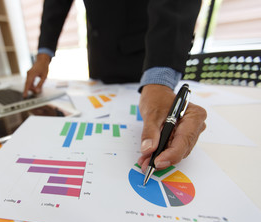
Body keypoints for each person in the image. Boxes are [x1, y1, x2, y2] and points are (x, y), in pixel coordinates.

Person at [23, 0, 207, 172]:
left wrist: (159, 81)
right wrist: (43, 56)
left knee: (152, 114)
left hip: (144, 55)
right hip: (100, 56)